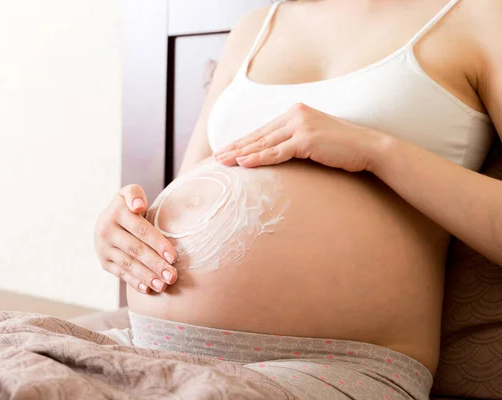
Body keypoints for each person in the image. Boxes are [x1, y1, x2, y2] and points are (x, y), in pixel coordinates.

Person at [94, 0, 502, 398]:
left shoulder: (480, 16)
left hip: (333, 367)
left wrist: (377, 151)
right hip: (150, 344)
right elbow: (191, 185)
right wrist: (126, 229)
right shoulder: (255, 27)